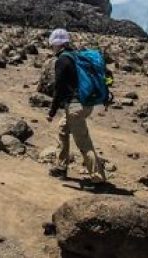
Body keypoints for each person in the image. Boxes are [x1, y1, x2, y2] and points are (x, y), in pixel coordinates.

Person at [45, 28, 108, 189]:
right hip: (85, 104)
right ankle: (61, 166)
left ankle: (97, 178)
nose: (52, 47)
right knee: (63, 129)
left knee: (83, 142)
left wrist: (51, 112)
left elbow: (59, 88)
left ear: (57, 44)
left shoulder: (62, 61)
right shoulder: (75, 56)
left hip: (75, 106)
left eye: (53, 45)